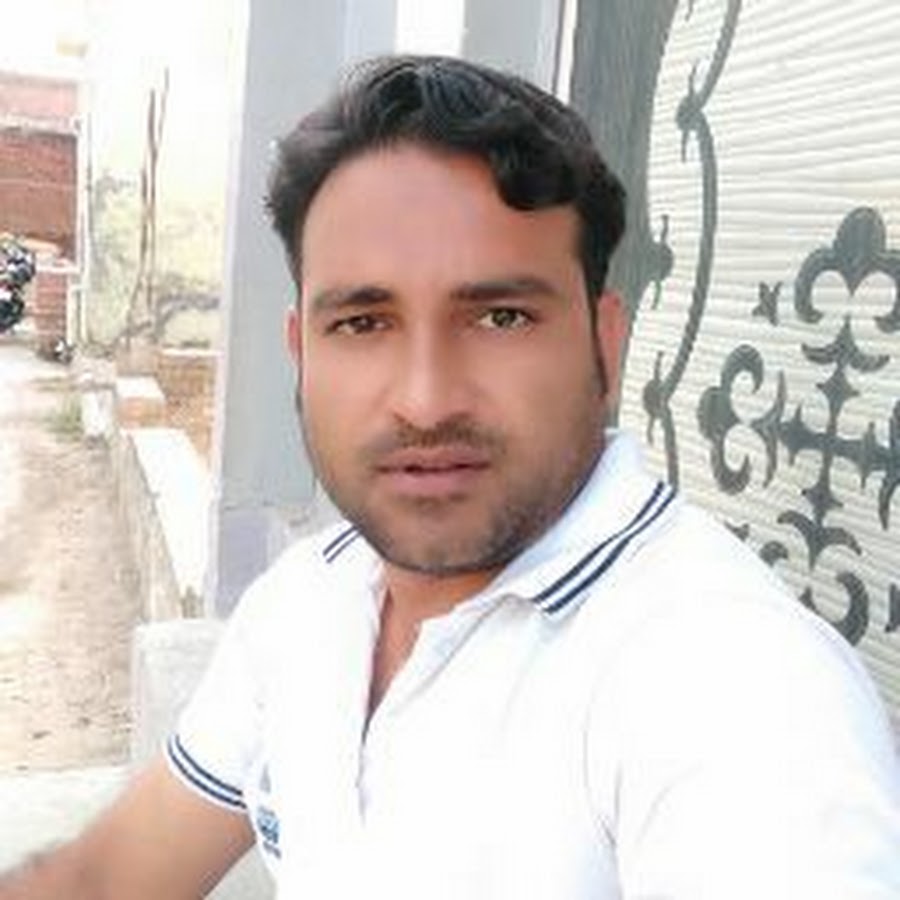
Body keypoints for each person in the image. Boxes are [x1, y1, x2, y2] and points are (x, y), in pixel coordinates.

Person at [3, 53, 899, 899]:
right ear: (301, 353)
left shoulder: (737, 688)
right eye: (363, 323)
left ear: (606, 343)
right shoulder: (309, 601)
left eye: (501, 317)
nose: (426, 402)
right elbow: (109, 877)